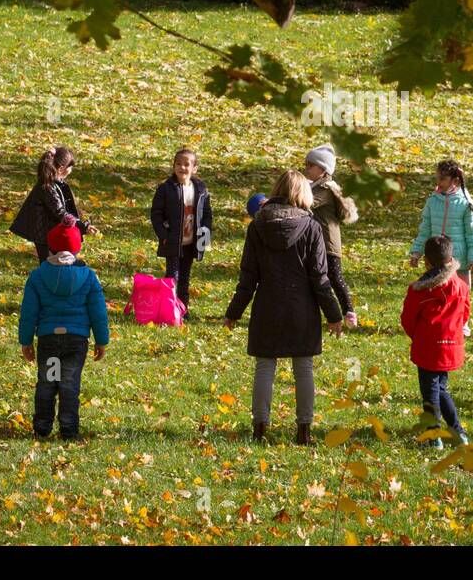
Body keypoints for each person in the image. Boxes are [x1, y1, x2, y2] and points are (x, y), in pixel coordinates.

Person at [223, 170, 343, 446]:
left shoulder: (257, 226)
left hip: (267, 306)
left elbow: (248, 277)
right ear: (303, 193)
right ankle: (304, 430)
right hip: (302, 308)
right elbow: (320, 278)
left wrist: (233, 312)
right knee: (303, 369)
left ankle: (260, 428)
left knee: (265, 367)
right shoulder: (311, 227)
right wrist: (334, 314)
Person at [19, 221, 109, 439]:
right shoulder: (88, 276)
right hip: (75, 340)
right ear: (77, 249)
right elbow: (98, 312)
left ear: (50, 248)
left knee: (48, 382)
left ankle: (42, 426)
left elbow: (29, 312)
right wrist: (101, 340)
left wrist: (26, 341)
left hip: (49, 339)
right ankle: (68, 428)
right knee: (69, 383)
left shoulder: (38, 276)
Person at [400, 235, 471, 449]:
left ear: (427, 262)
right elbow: (464, 314)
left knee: (431, 391)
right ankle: (458, 433)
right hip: (450, 345)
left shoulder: (420, 290)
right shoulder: (460, 286)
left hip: (429, 346)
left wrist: (419, 336)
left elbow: (408, 319)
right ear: (450, 260)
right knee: (440, 388)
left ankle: (434, 436)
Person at [304, 144, 360, 328]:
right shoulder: (314, 185)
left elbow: (307, 204)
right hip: (316, 242)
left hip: (328, 243)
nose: (306, 169)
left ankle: (348, 311)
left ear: (322, 169)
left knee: (334, 276)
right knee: (317, 276)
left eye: (310, 165)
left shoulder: (325, 189)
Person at [150, 148, 213, 314]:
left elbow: (206, 215)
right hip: (173, 241)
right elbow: (156, 214)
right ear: (173, 167)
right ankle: (167, 310)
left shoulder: (200, 189)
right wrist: (164, 235)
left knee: (185, 277)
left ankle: (183, 310)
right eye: (178, 164)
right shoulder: (166, 189)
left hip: (191, 242)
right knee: (173, 276)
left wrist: (204, 237)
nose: (182, 168)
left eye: (187, 164)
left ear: (194, 168)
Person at [10, 146, 99, 263]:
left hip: (53, 233)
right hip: (46, 235)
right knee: (49, 263)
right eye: (70, 167)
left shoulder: (55, 183)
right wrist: (82, 226)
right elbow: (60, 211)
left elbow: (64, 206)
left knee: (55, 262)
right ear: (62, 168)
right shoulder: (48, 187)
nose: (71, 170)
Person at [409, 159, 473, 290]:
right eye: (437, 178)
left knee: (459, 295)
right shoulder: (432, 201)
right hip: (436, 259)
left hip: (459, 261)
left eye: (442, 179)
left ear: (455, 180)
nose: (438, 182)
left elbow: (472, 234)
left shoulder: (467, 204)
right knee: (437, 294)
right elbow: (425, 230)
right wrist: (417, 252)